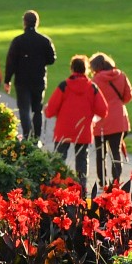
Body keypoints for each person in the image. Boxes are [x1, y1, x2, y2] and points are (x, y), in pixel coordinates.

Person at [44, 55, 108, 186]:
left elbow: (50, 110)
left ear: (72, 69)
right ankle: (82, 188)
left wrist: (50, 112)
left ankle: (57, 186)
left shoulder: (64, 86)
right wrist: (93, 118)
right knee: (82, 161)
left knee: (59, 160)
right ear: (86, 69)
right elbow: (103, 110)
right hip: (83, 129)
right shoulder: (92, 87)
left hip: (64, 128)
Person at [3, 10, 57, 140]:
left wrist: (7, 80)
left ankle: (27, 134)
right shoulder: (44, 41)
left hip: (22, 80)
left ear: (24, 23)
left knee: (24, 108)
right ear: (37, 22)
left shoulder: (18, 41)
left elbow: (11, 62)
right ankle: (36, 136)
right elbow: (51, 59)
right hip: (38, 78)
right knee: (37, 109)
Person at [90, 53, 132, 188]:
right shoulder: (121, 75)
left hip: (100, 120)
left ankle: (102, 181)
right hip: (119, 119)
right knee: (116, 151)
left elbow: (92, 100)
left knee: (100, 153)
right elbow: (128, 96)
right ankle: (116, 180)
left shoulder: (96, 80)